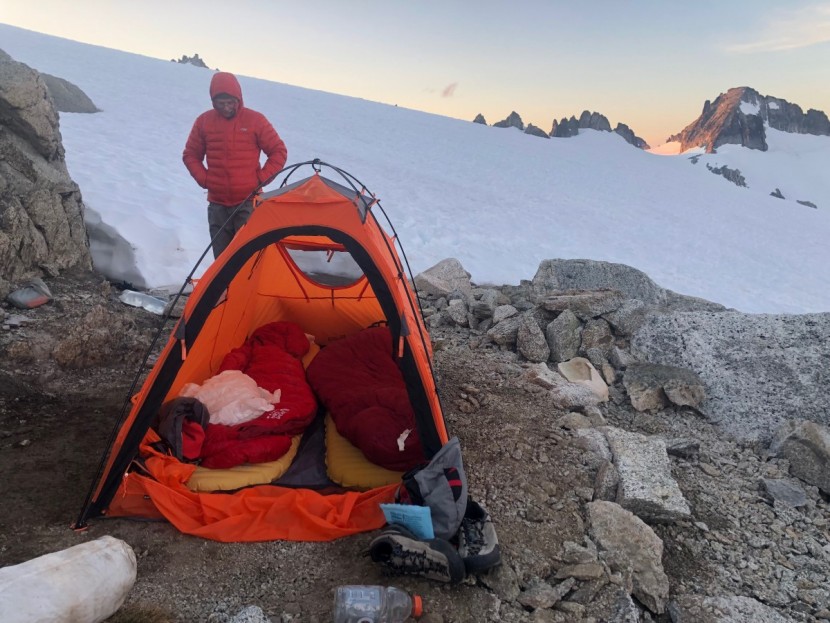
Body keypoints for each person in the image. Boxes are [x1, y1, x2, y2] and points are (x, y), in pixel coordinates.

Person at [183, 72, 287, 258]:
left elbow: (278, 151)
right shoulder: (204, 122)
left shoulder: (255, 120)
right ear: (213, 102)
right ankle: (225, 288)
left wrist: (260, 179)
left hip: (247, 203)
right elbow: (190, 155)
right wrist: (205, 180)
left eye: (230, 102)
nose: (226, 107)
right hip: (217, 206)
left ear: (238, 99)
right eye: (220, 103)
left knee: (246, 257)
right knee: (222, 260)